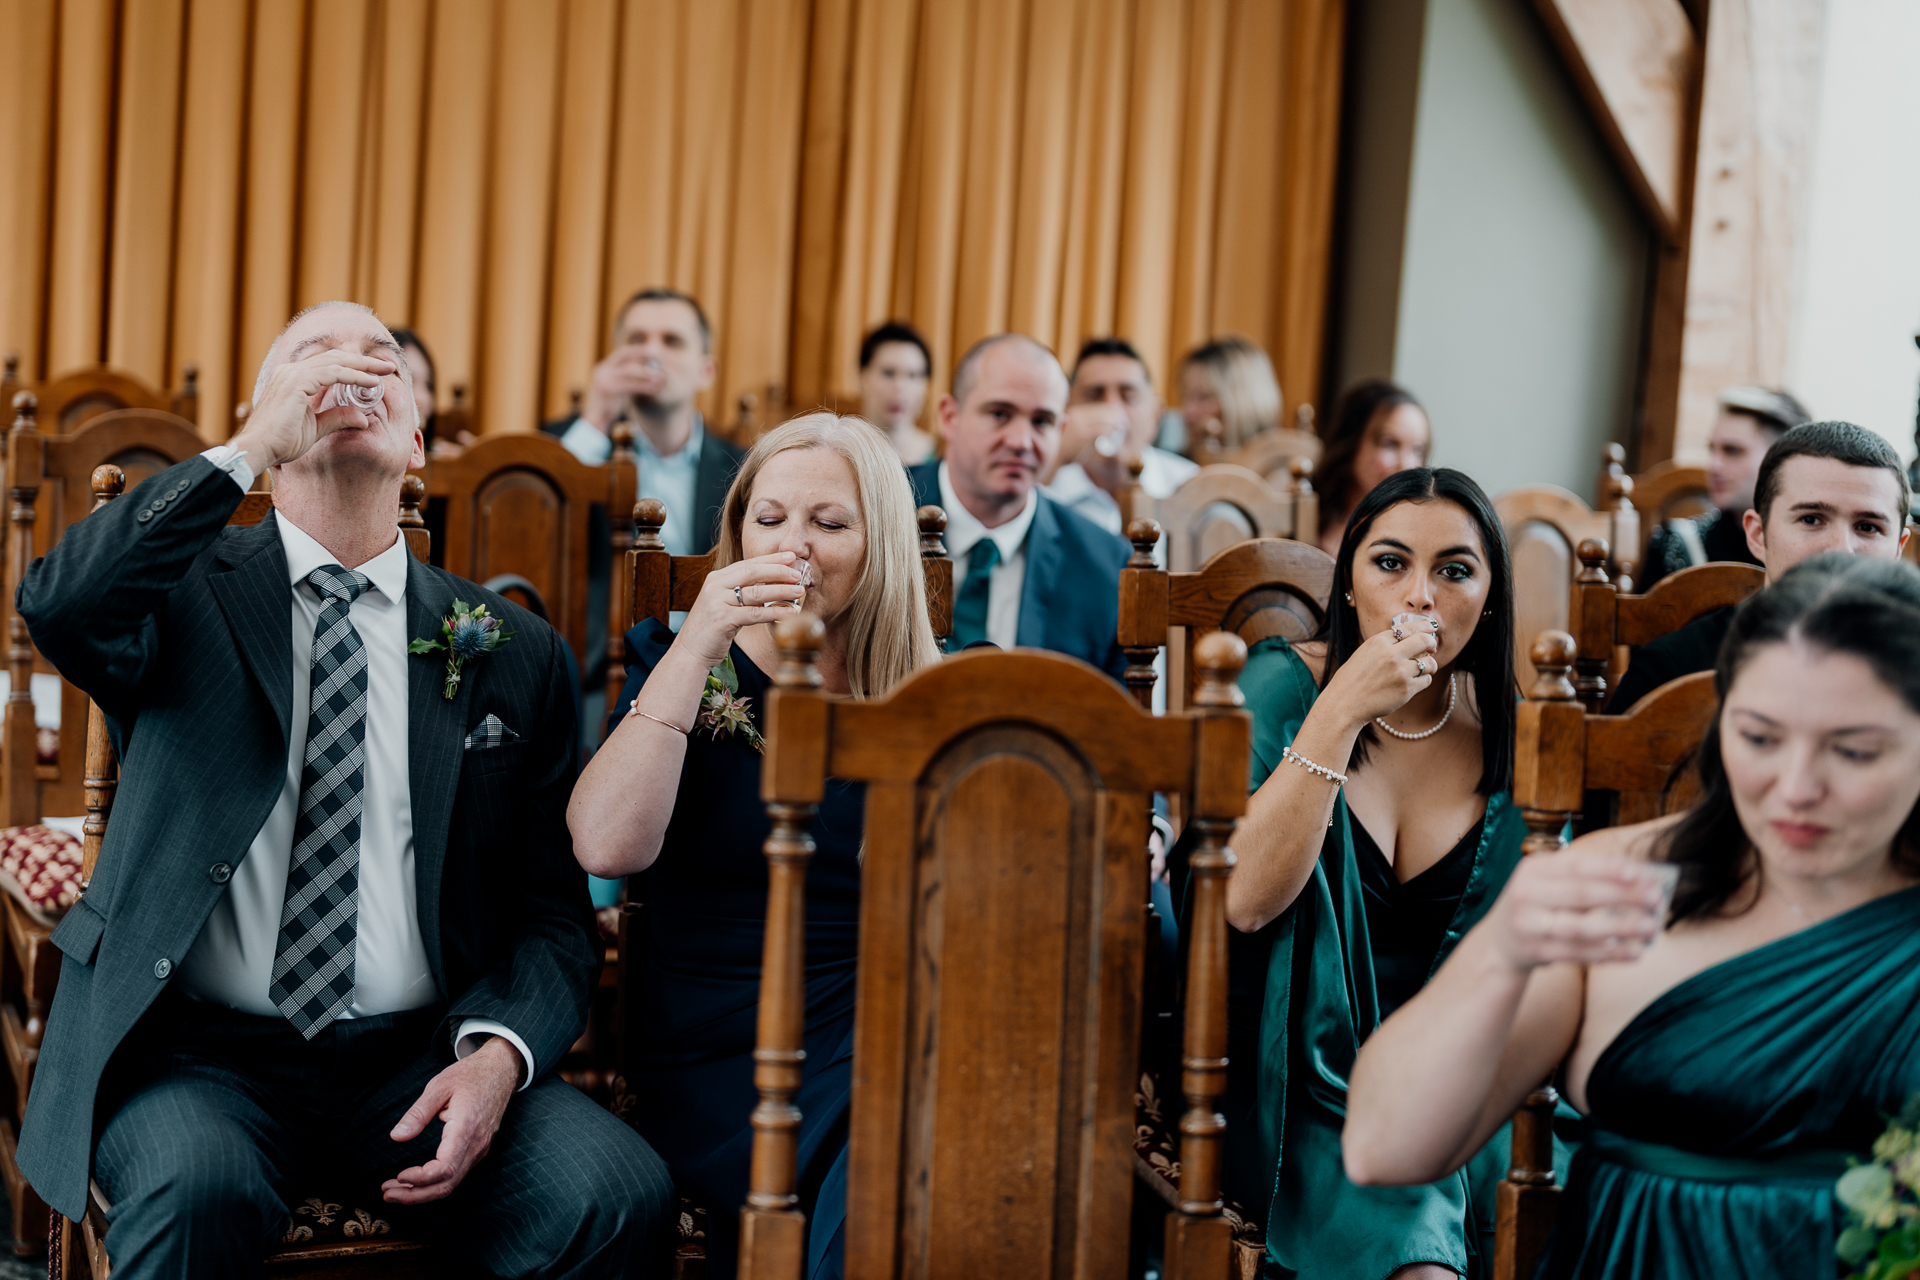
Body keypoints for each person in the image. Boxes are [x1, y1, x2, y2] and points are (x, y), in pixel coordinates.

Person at [15, 301, 670, 1278]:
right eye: (315, 354)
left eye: (384, 360)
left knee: (616, 1194)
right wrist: (243, 449)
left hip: (415, 1054)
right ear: (267, 415)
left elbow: (550, 914)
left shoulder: (508, 646)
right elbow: (59, 604)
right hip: (197, 1053)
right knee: (200, 1192)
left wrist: (495, 1060)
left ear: (416, 442)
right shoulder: (181, 590)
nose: (351, 367)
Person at [1344, 554, 1920, 1279]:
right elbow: (1381, 1150)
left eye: (1854, 751)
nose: (1796, 788)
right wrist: (1501, 951)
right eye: (1760, 738)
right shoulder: (1615, 883)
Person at [572, 413, 941, 1280]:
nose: (795, 547)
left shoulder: (933, 689)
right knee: (891, 1131)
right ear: (736, 531)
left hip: (885, 1021)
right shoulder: (679, 661)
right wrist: (699, 642)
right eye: (768, 519)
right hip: (725, 1046)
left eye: (829, 522)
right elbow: (604, 845)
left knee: (928, 1115)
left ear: (881, 541)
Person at [1215, 466, 1548, 1279]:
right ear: (1351, 581)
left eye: (1455, 571)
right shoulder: (1280, 687)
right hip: (1307, 1084)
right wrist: (1340, 712)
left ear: (1492, 597)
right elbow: (1246, 902)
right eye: (1391, 563)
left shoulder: (1515, 740)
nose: (1420, 598)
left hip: (1476, 1084)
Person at [1607, 421, 1909, 712]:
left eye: (1868, 527)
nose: (1841, 549)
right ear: (1758, 534)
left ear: (1899, 548)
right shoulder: (1670, 672)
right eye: (1811, 519)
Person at [903, 333, 1129, 676]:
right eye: (999, 414)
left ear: (1061, 430)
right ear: (950, 417)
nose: (1021, 442)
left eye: (1042, 422)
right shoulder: (875, 514)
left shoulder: (1106, 567)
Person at [545, 287, 748, 556]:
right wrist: (597, 418)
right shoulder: (563, 442)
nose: (650, 353)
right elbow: (537, 520)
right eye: (636, 339)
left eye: (672, 341)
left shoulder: (742, 469)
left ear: (705, 372)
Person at [1637, 386, 1810, 592]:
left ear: (1783, 461)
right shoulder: (1677, 545)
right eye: (1712, 449)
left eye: (1732, 451)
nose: (1714, 466)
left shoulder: (1816, 548)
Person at [1043, 336, 1199, 536]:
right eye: (1094, 396)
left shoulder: (1190, 487)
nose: (1111, 409)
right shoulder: (1043, 488)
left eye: (1129, 397)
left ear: (1155, 417)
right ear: (1067, 412)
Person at [1313, 380, 1432, 556]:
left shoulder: (1421, 533)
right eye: (1390, 444)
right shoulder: (1305, 512)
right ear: (1351, 443)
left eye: (1417, 450)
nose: (1406, 465)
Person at [1178, 335, 1281, 455]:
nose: (1188, 412)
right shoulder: (1176, 467)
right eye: (1185, 396)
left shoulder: (1287, 466)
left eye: (1204, 397)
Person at [858, 320, 936, 465]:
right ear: (863, 377)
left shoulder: (943, 455)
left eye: (912, 375)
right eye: (889, 373)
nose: (900, 387)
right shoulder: (840, 449)